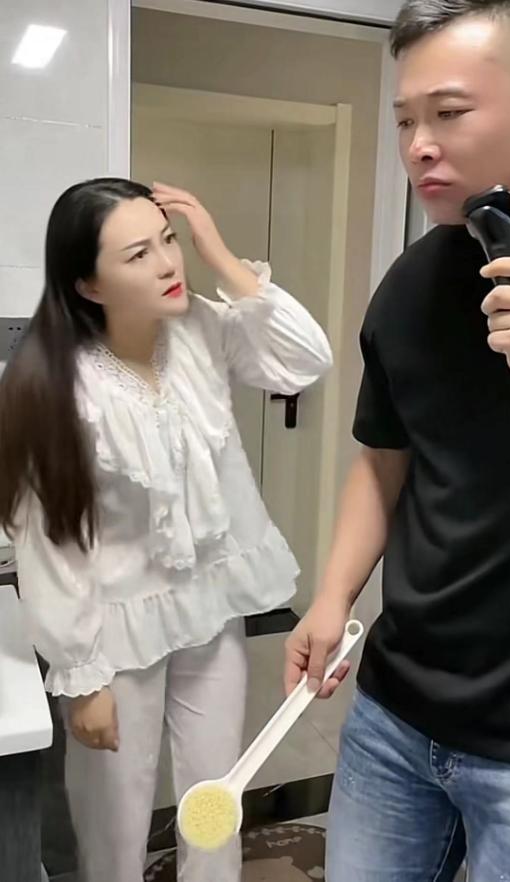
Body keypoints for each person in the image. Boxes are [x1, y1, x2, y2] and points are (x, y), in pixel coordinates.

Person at [0, 177, 332, 882]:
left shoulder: (201, 329)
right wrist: (83, 678)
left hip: (209, 609)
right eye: (138, 254)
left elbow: (305, 360)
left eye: (169, 240)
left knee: (217, 795)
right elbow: (51, 542)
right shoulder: (56, 384)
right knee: (114, 820)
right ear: (89, 285)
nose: (167, 264)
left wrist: (220, 254)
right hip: (114, 631)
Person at [284, 1, 510, 879]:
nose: (418, 146)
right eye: (403, 121)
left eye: (449, 112)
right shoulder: (413, 279)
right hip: (393, 714)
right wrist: (331, 598)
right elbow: (385, 458)